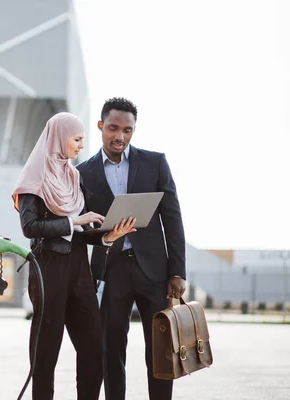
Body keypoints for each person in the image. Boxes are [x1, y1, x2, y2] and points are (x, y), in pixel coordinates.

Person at [12, 112, 136, 400]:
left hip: (79, 269)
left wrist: (107, 236)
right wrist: (74, 222)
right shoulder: (35, 177)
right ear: (59, 138)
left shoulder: (73, 176)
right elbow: (30, 227)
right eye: (77, 139)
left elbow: (80, 232)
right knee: (46, 355)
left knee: (94, 348)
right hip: (48, 269)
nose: (82, 145)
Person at [76, 98, 186, 400]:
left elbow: (172, 217)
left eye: (127, 130)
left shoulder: (155, 162)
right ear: (100, 126)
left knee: (161, 351)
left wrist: (177, 271)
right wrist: (103, 234)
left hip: (154, 272)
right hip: (110, 271)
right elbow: (82, 227)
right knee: (111, 350)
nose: (119, 136)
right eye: (113, 128)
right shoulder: (82, 173)